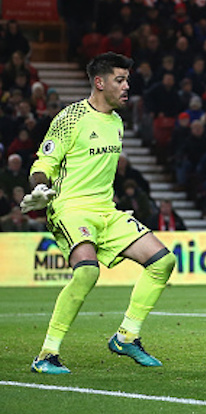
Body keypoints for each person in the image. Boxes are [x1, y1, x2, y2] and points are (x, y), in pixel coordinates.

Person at [23, 53, 177, 374]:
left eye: (127, 80)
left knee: (163, 261)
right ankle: (47, 355)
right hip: (70, 208)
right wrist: (40, 188)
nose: (126, 87)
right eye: (119, 80)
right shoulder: (70, 118)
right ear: (99, 82)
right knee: (87, 272)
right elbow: (44, 163)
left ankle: (126, 336)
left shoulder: (118, 121)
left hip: (105, 210)